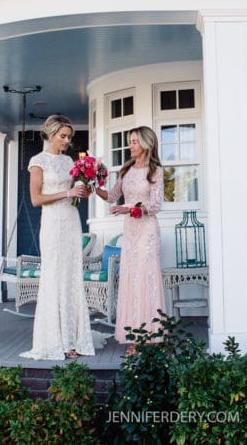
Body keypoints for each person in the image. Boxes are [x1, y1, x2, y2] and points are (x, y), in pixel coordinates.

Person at [20, 115, 95, 361]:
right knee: (54, 276)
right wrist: (67, 191)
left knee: (71, 276)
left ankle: (73, 339)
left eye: (69, 137)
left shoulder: (69, 161)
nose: (66, 141)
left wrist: (82, 190)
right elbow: (36, 199)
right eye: (63, 136)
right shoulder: (38, 161)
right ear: (50, 134)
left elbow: (73, 192)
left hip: (71, 219)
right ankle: (54, 340)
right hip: (52, 224)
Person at [96, 126, 165, 351]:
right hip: (131, 232)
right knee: (132, 279)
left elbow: (155, 205)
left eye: (134, 141)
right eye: (129, 141)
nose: (130, 146)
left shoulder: (155, 170)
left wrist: (129, 209)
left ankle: (152, 336)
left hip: (147, 230)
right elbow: (111, 197)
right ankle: (135, 337)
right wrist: (92, 184)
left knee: (147, 279)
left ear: (146, 143)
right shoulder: (126, 170)